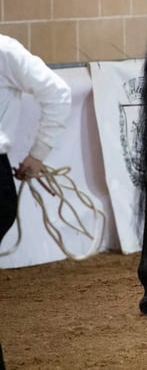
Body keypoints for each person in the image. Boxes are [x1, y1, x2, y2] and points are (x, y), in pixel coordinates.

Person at [1, 34, 72, 245]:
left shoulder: (5, 51)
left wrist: (38, 154)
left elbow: (57, 94)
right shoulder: (5, 50)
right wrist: (38, 155)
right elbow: (58, 94)